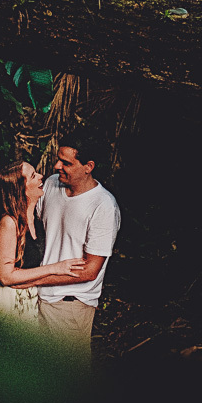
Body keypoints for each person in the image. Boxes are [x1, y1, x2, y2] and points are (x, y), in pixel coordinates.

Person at [32, 132, 122, 363]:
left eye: (66, 163)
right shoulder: (52, 184)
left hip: (69, 305)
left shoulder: (102, 206)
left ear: (88, 166)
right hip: (36, 297)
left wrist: (30, 278)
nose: (56, 166)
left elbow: (90, 270)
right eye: (58, 159)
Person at [0, 160, 86, 332]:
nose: (41, 177)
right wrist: (55, 268)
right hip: (9, 303)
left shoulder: (36, 220)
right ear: (21, 189)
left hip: (29, 302)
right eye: (33, 176)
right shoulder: (9, 223)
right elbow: (6, 276)